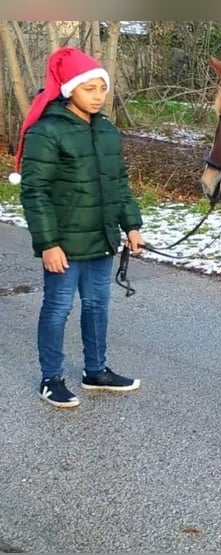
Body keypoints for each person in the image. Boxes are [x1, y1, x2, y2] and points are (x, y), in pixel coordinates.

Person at [8, 46, 145, 408]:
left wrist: (131, 225)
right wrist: (48, 244)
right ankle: (51, 378)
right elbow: (34, 192)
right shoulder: (47, 131)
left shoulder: (107, 131)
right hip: (64, 244)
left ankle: (95, 371)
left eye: (102, 88)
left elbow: (119, 183)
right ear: (70, 88)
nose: (98, 96)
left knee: (98, 306)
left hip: (101, 238)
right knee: (57, 308)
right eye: (90, 88)